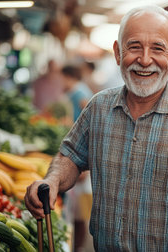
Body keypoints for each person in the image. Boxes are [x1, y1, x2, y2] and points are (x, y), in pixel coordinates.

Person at [25, 5, 168, 251]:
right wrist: (52, 181)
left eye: (158, 48)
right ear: (117, 52)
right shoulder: (98, 107)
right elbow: (70, 157)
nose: (145, 59)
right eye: (134, 46)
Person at [60, 64, 94, 251]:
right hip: (78, 152)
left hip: (81, 158)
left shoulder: (80, 93)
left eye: (62, 78)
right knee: (77, 208)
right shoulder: (77, 90)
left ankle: (79, 246)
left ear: (68, 76)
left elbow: (88, 123)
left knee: (80, 211)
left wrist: (84, 165)